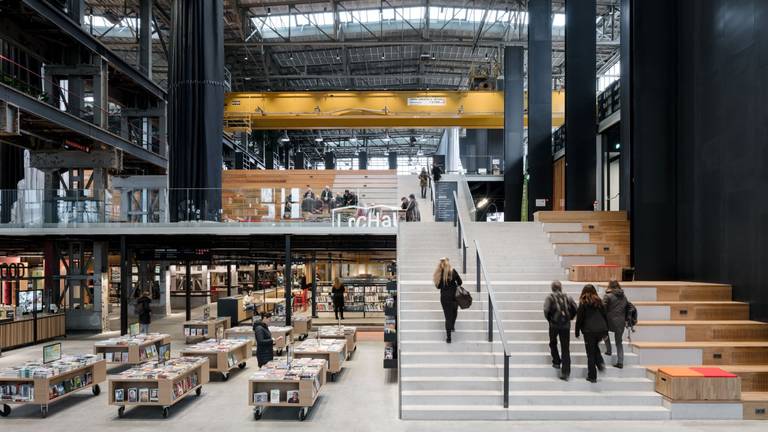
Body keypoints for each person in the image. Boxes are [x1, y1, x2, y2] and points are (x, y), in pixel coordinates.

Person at [543, 281, 577, 381]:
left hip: (554, 325)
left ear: (552, 288)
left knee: (553, 343)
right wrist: (570, 318)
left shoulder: (550, 298)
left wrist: (550, 319)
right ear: (561, 287)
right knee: (565, 348)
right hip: (566, 325)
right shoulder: (568, 297)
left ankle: (556, 362)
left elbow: (546, 310)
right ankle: (566, 371)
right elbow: (575, 308)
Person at [575, 284, 609, 383]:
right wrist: (606, 331)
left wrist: (577, 332)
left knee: (590, 354)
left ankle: (592, 376)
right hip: (601, 330)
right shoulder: (599, 301)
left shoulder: (583, 302)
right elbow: (605, 316)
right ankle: (600, 362)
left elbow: (579, 319)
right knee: (594, 347)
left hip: (589, 331)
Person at [433, 258, 462, 343]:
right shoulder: (453, 271)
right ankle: (452, 326)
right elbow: (460, 282)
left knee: (447, 316)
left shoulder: (439, 273)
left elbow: (438, 287)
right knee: (454, 311)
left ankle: (449, 338)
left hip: (444, 298)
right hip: (454, 296)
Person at [603, 279, 629, 368]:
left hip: (609, 321)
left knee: (604, 332)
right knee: (619, 342)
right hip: (621, 322)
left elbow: (603, 309)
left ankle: (609, 350)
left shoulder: (608, 296)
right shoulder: (624, 296)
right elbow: (626, 308)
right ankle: (620, 362)